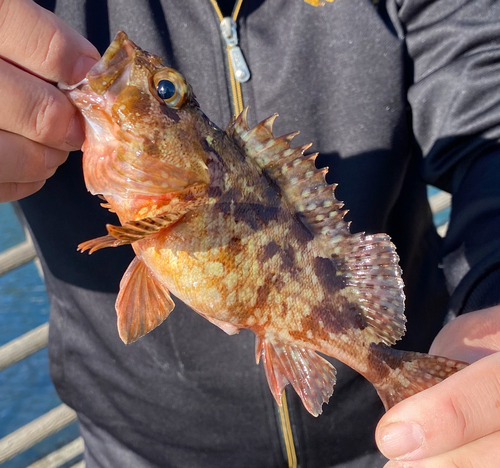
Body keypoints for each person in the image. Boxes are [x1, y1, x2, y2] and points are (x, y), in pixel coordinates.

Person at [1, 0, 498, 467]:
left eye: (164, 92)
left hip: (384, 444)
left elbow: (487, 119)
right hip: (142, 451)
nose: (132, 78)